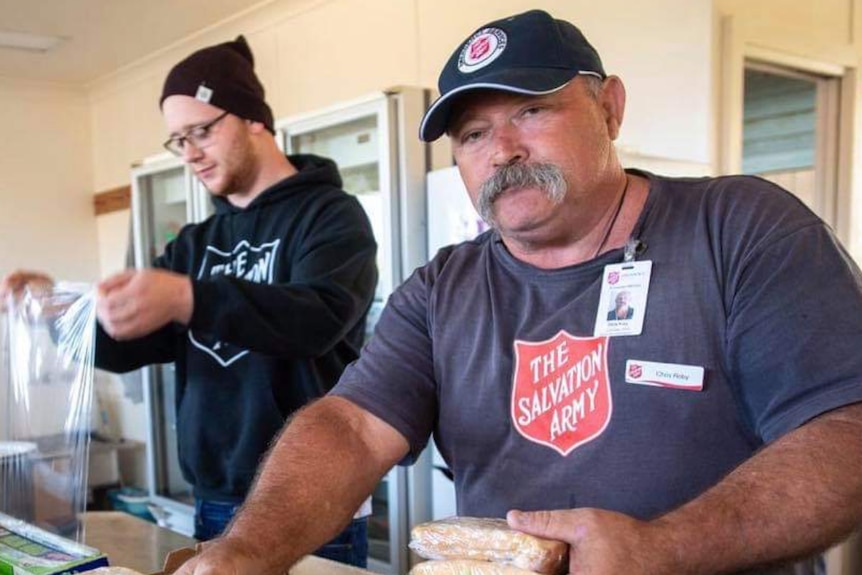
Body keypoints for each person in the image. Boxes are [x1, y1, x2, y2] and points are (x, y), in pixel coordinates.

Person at [169, 10, 862, 575]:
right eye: (473, 133)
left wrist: (667, 546)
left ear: (609, 106)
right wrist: (250, 548)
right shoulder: (445, 287)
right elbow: (350, 426)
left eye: (531, 111)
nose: (501, 150)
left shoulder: (741, 229)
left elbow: (844, 430)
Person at [1, 35, 378, 567]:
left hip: (311, 496)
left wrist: (188, 297)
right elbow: (131, 345)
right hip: (216, 497)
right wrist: (61, 313)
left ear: (253, 118)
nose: (191, 153)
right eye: (178, 140)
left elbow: (316, 319)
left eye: (201, 130)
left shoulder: (331, 215)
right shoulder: (195, 243)